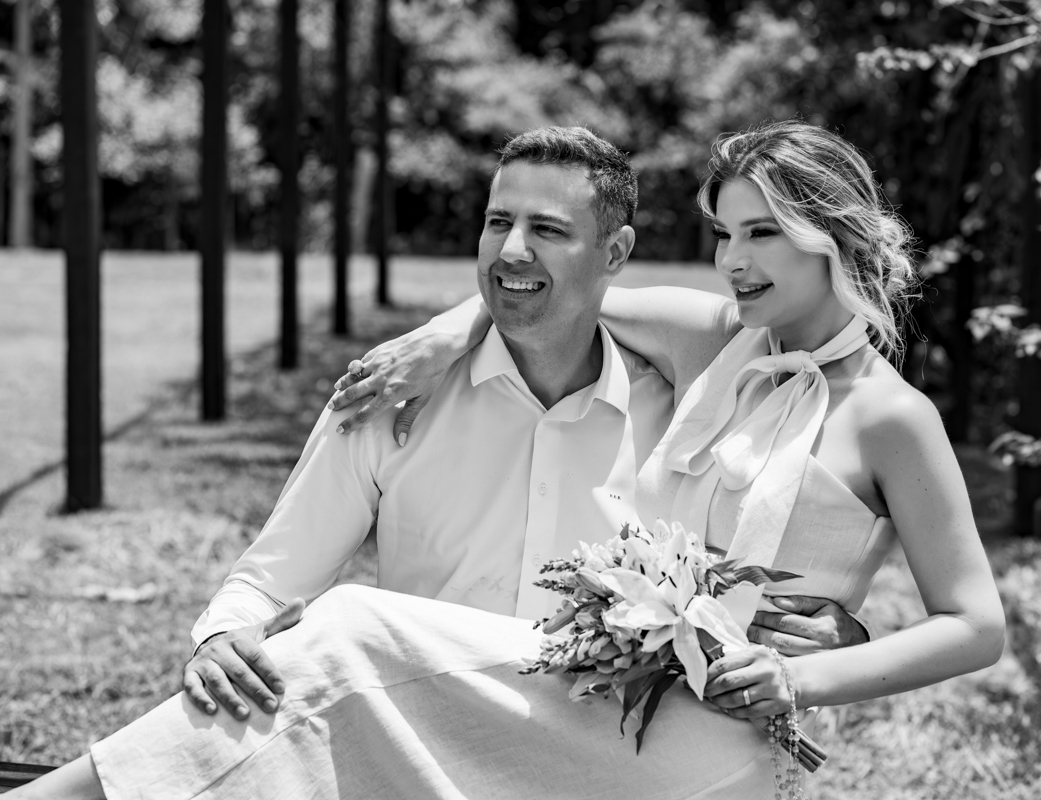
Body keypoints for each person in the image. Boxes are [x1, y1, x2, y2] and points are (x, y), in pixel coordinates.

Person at [13, 125, 875, 800]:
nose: (511, 250)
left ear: (615, 255)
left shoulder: (686, 407)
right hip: (410, 754)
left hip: (598, 766)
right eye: (498, 222)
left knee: (350, 629)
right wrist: (222, 635)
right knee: (314, 660)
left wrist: (828, 636)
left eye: (547, 230)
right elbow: (272, 574)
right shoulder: (392, 397)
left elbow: (760, 541)